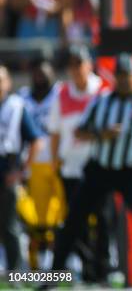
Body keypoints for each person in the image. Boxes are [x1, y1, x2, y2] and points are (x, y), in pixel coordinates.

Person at [50, 53, 132, 287]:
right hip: (99, 168)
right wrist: (102, 134)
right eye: (119, 75)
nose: (122, 80)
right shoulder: (100, 101)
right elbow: (79, 132)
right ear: (115, 77)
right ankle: (50, 277)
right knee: (72, 221)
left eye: (126, 76)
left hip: (131, 170)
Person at [48, 46, 108, 283]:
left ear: (88, 65)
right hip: (71, 168)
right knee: (76, 223)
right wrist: (55, 161)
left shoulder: (102, 90)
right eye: (71, 65)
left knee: (102, 220)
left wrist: (92, 135)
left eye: (78, 64)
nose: (75, 70)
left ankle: (103, 269)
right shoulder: (62, 93)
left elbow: (111, 127)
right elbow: (54, 132)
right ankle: (87, 268)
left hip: (98, 167)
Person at [19, 58, 63, 269]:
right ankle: (41, 261)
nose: (40, 77)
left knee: (65, 212)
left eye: (43, 73)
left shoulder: (61, 94)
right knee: (38, 217)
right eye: (36, 73)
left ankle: (70, 258)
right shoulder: (23, 97)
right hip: (34, 163)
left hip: (59, 161)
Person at [0, 63, 43, 272]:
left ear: (8, 82)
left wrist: (21, 171)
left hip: (8, 169)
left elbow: (36, 140)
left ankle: (15, 272)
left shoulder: (16, 106)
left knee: (9, 225)